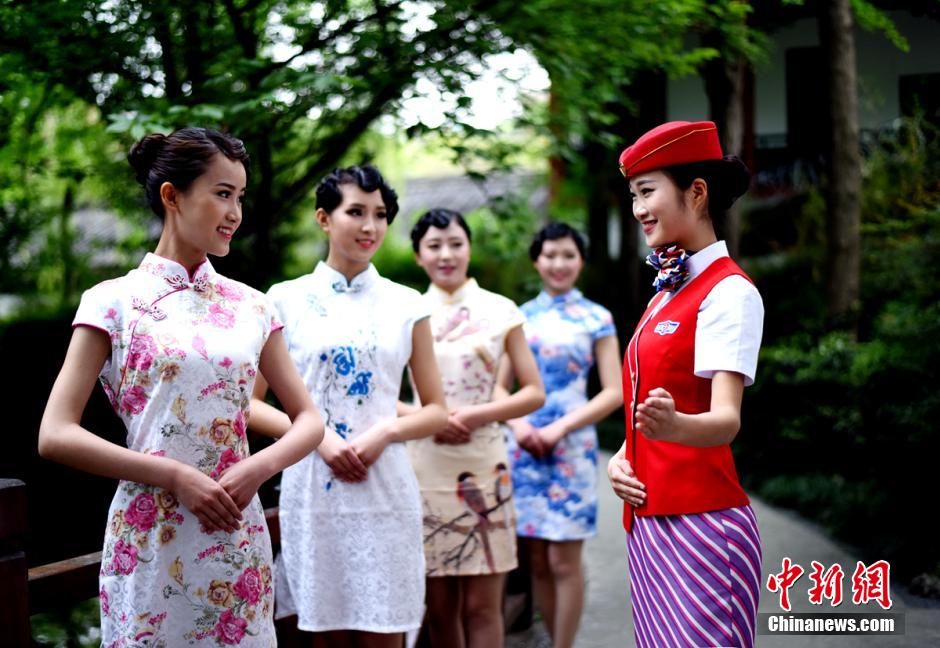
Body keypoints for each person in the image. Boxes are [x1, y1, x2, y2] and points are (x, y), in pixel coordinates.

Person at [37, 126, 324, 646]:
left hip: (236, 534)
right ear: (172, 195)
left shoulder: (254, 306)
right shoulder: (111, 302)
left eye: (240, 196)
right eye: (221, 194)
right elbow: (55, 434)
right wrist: (172, 474)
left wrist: (258, 468)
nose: (235, 212)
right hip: (149, 536)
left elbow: (310, 421)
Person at [248, 165, 448, 648]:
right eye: (355, 212)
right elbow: (250, 405)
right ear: (323, 218)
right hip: (315, 490)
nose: (370, 227)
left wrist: (383, 432)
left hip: (386, 489)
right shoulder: (284, 300)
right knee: (324, 632)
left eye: (380, 215)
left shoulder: (408, 304)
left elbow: (436, 410)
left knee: (386, 630)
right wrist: (320, 438)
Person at [608, 120, 764, 648]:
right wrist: (623, 455)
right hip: (650, 529)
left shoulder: (730, 293)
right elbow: (644, 404)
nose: (638, 209)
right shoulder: (664, 293)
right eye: (634, 195)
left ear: (697, 192)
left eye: (647, 191)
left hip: (704, 528)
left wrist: (672, 425)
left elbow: (725, 421)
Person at [403, 208, 545, 648]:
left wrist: (476, 415)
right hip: (425, 466)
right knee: (441, 612)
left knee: (484, 608)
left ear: (469, 247)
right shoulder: (404, 310)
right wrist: (430, 419)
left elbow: (533, 393)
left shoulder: (501, 310)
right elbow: (382, 397)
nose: (446, 254)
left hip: (486, 464)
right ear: (418, 256)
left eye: (456, 243)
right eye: (434, 246)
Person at [497, 222, 624, 648]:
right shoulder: (517, 316)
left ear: (581, 261)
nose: (558, 263)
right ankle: (550, 639)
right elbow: (499, 387)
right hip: (525, 447)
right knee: (536, 560)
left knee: (564, 560)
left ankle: (563, 645)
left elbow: (614, 392)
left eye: (568, 255)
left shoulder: (597, 318)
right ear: (536, 260)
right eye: (550, 255)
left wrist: (558, 428)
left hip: (572, 447)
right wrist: (521, 426)